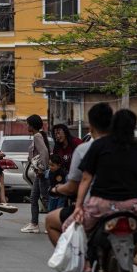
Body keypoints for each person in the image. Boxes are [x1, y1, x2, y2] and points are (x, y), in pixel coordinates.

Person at [65, 109, 137, 272]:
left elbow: (85, 178)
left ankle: (84, 269)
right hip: (131, 205)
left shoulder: (100, 146)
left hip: (101, 204)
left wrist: (78, 207)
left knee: (71, 228)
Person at [45, 103, 113, 246]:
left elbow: (80, 183)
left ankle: (77, 260)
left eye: (59, 132)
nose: (57, 135)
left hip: (95, 206)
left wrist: (56, 189)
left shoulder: (85, 149)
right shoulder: (131, 149)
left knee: (51, 221)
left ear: (91, 126)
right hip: (131, 207)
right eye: (55, 133)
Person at [21, 114, 50, 233]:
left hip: (41, 173)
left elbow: (44, 151)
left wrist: (42, 168)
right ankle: (34, 223)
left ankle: (50, 223)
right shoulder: (39, 135)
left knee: (45, 198)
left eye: (28, 124)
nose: (26, 126)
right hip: (40, 173)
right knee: (35, 198)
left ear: (32, 125)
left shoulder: (37, 136)